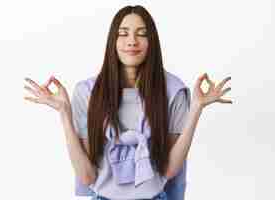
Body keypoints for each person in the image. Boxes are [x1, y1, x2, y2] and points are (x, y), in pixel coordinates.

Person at [24, 5, 232, 200]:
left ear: (153, 42)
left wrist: (196, 108)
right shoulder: (87, 91)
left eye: (141, 34)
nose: (132, 41)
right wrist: (64, 112)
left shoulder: (173, 90)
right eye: (123, 34)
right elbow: (87, 177)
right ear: (112, 41)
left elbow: (169, 170)